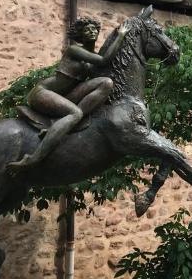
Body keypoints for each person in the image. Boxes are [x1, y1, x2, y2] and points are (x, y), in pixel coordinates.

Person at [7, 17, 129, 174]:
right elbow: (104, 60)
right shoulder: (74, 50)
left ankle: (65, 125)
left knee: (106, 83)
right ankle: (34, 158)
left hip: (66, 96)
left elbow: (102, 73)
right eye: (87, 30)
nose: (91, 31)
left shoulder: (90, 57)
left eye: (94, 29)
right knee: (75, 113)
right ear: (80, 35)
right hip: (43, 93)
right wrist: (121, 35)